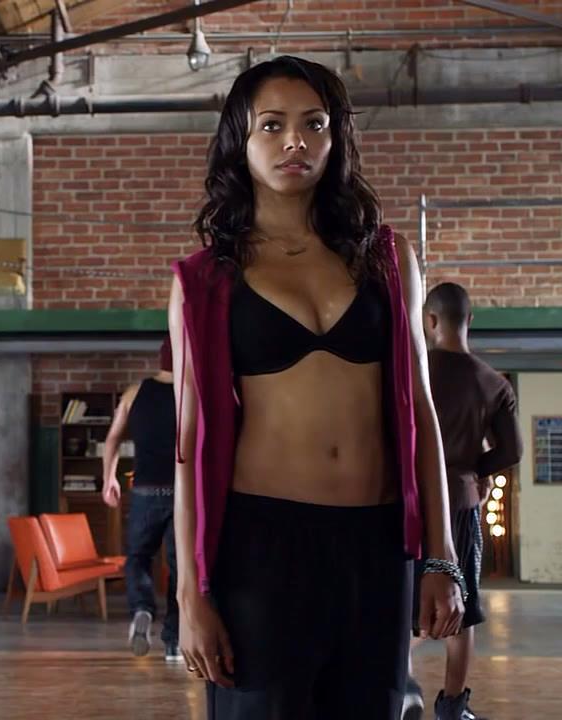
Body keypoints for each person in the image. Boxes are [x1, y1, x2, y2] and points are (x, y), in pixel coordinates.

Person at [167, 56, 467, 719]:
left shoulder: (388, 257)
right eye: (271, 126)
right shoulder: (208, 278)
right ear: (240, 141)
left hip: (376, 546)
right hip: (261, 548)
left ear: (337, 138)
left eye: (314, 124)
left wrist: (441, 557)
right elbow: (188, 444)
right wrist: (191, 595)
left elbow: (421, 409)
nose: (294, 142)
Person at [405, 282, 522, 720]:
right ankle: (452, 708)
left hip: (409, 504)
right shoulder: (493, 383)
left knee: (403, 601)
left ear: (430, 321)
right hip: (460, 503)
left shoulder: (412, 374)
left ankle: (401, 686)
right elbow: (512, 451)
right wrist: (475, 469)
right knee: (463, 608)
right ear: (469, 320)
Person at [101, 339, 180, 662]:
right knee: (179, 567)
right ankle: (174, 641)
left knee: (137, 557)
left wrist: (109, 478)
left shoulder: (135, 393)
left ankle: (142, 610)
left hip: (145, 490)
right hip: (182, 494)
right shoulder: (192, 392)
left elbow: (112, 439)